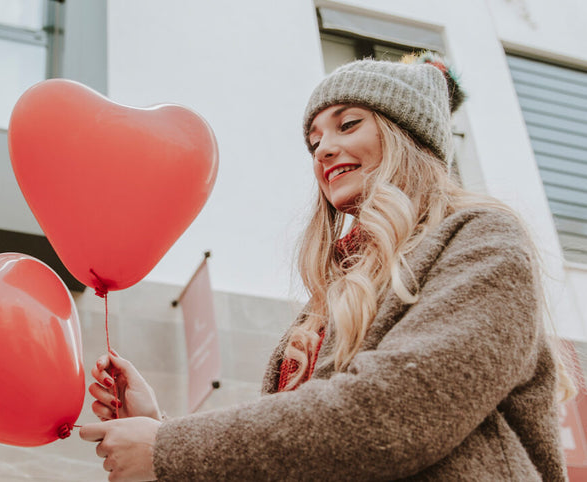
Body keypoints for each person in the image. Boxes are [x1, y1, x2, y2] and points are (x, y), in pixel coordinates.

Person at [79, 54, 574, 481]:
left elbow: (397, 412)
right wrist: (159, 427)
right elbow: (298, 455)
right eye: (314, 140)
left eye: (348, 124)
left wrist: (168, 447)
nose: (324, 149)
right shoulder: (332, 292)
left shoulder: (482, 238)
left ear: (406, 134)